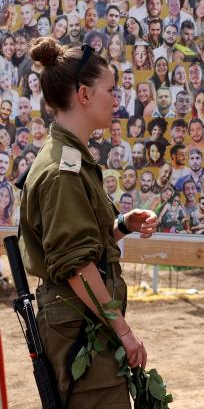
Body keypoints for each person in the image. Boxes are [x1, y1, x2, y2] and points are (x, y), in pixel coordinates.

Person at [18, 37, 159, 407]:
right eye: (110, 90)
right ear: (83, 94)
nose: (117, 99)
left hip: (86, 325)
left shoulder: (71, 158)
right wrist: (124, 332)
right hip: (81, 333)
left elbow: (82, 247)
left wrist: (122, 225)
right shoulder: (62, 170)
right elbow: (78, 267)